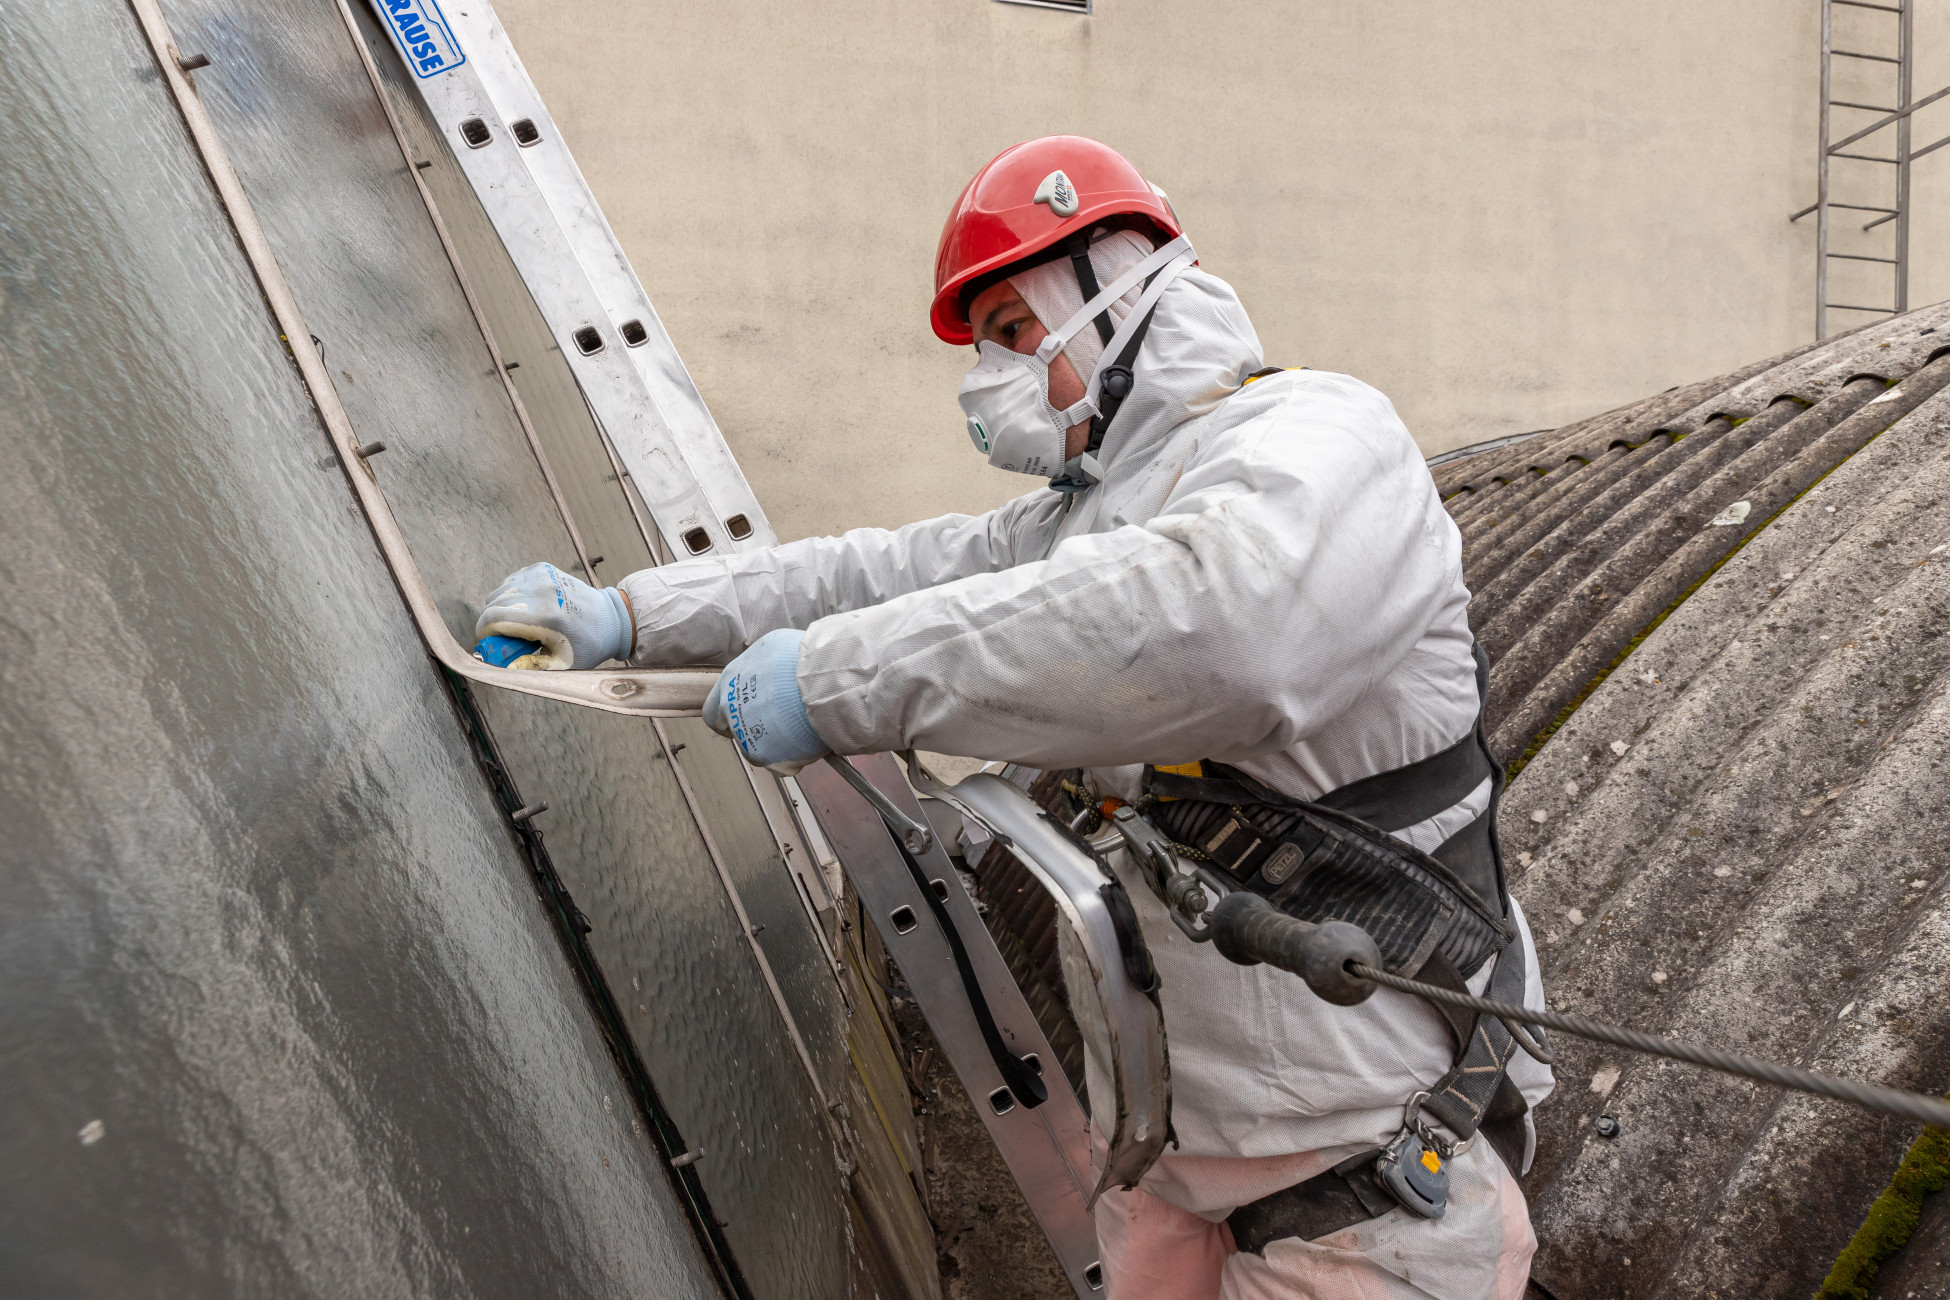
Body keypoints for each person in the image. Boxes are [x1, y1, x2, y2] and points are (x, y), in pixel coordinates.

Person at [476, 136, 1554, 1299]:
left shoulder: (1319, 440)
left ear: (1116, 293)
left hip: (1373, 1204)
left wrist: (830, 680)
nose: (988, 377)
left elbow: (1217, 626)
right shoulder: (1093, 512)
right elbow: (877, 575)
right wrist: (632, 616)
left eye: (1010, 328)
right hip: (1174, 1171)